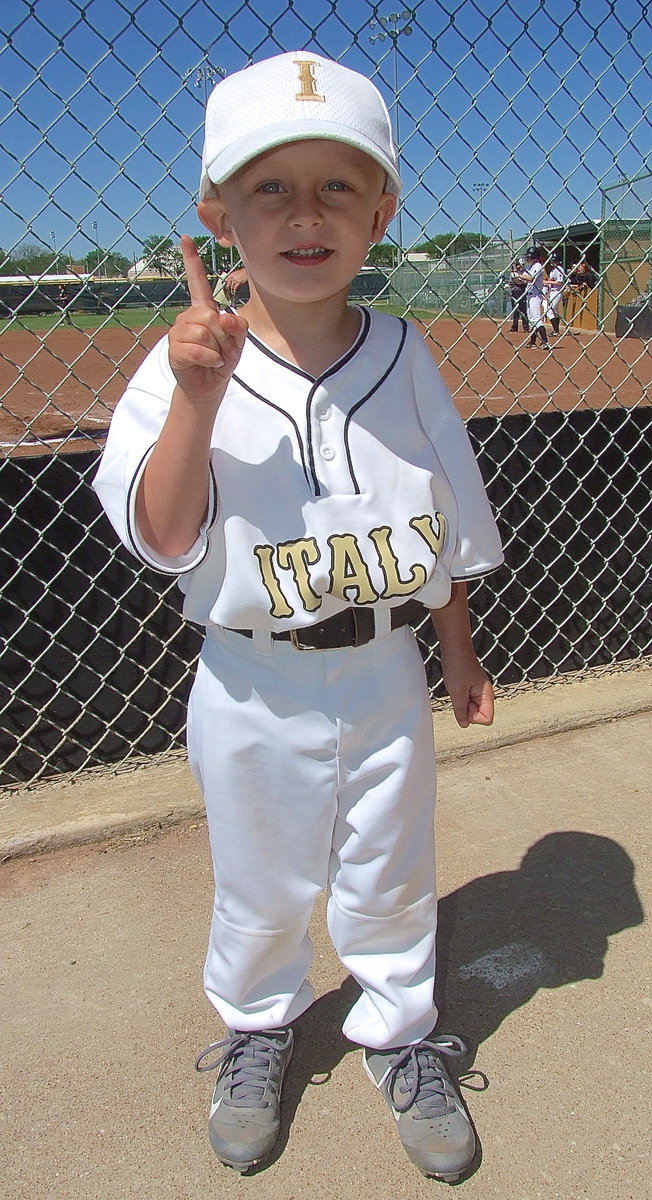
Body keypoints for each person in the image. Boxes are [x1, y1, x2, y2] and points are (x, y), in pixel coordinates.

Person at [93, 52, 504, 1182]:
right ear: (217, 216)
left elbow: (447, 524)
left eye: (338, 186)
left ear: (381, 213)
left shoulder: (405, 352)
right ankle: (258, 1026)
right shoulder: (184, 360)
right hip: (251, 677)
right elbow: (163, 535)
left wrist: (460, 654)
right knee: (260, 880)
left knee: (392, 869)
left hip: (385, 666)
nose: (306, 213)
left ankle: (399, 1032)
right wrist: (195, 399)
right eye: (270, 187)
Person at [515, 246, 551, 350]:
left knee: (536, 319)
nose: (527, 259)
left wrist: (518, 275)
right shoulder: (529, 268)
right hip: (529, 296)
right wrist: (514, 277)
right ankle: (533, 342)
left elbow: (530, 278)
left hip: (536, 296)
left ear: (534, 258)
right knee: (532, 320)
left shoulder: (538, 266)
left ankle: (546, 342)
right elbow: (521, 282)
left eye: (529, 257)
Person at [544, 250, 565, 335]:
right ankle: (556, 331)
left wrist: (547, 282)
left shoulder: (559, 269)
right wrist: (549, 280)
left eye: (553, 260)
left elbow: (560, 282)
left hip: (557, 292)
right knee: (554, 311)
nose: (551, 262)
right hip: (552, 292)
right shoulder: (553, 270)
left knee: (549, 310)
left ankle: (556, 331)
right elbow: (553, 280)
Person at [505, 259, 529, 332]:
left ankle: (526, 328)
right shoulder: (514, 273)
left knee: (523, 311)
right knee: (515, 311)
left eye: (519, 265)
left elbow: (520, 282)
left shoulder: (525, 273)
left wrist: (517, 278)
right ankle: (514, 327)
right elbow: (514, 282)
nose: (517, 267)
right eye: (516, 265)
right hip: (514, 293)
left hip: (521, 293)